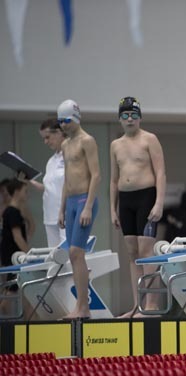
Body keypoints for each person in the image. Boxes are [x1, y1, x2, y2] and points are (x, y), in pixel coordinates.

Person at [110, 97, 166, 318]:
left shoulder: (149, 139)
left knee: (146, 252)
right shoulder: (115, 145)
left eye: (134, 115)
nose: (130, 119)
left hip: (146, 197)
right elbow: (114, 180)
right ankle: (137, 305)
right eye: (125, 115)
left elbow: (160, 172)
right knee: (132, 254)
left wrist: (159, 202)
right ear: (120, 119)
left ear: (140, 117)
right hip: (126, 200)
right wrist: (113, 209)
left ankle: (151, 305)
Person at [57, 99, 100, 320]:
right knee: (72, 256)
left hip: (85, 201)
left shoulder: (87, 141)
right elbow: (66, 179)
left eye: (66, 120)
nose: (63, 125)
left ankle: (83, 307)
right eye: (60, 121)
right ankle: (80, 306)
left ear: (76, 118)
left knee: (76, 252)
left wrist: (88, 207)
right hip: (72, 202)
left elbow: (96, 175)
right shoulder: (65, 145)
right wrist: (61, 209)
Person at [21, 119, 66, 247]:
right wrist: (29, 181)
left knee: (68, 253)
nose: (45, 142)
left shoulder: (71, 156)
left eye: (48, 137)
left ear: (59, 133)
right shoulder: (51, 161)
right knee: (54, 255)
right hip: (50, 215)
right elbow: (48, 188)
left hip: (66, 214)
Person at [1, 179, 30, 311]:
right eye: (25, 191)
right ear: (17, 192)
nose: (27, 195)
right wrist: (30, 255)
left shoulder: (14, 211)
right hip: (14, 258)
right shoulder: (12, 212)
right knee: (9, 294)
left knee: (13, 291)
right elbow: (18, 238)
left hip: (13, 256)